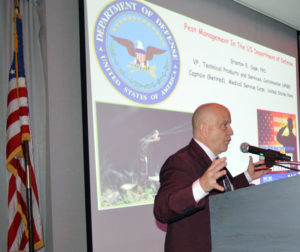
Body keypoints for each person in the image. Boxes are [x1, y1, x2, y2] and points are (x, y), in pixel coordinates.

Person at [153, 103, 270, 252]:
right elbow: (162, 210)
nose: (231, 131)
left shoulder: (211, 160)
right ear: (204, 129)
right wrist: (200, 187)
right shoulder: (180, 161)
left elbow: (220, 197)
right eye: (224, 125)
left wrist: (247, 177)